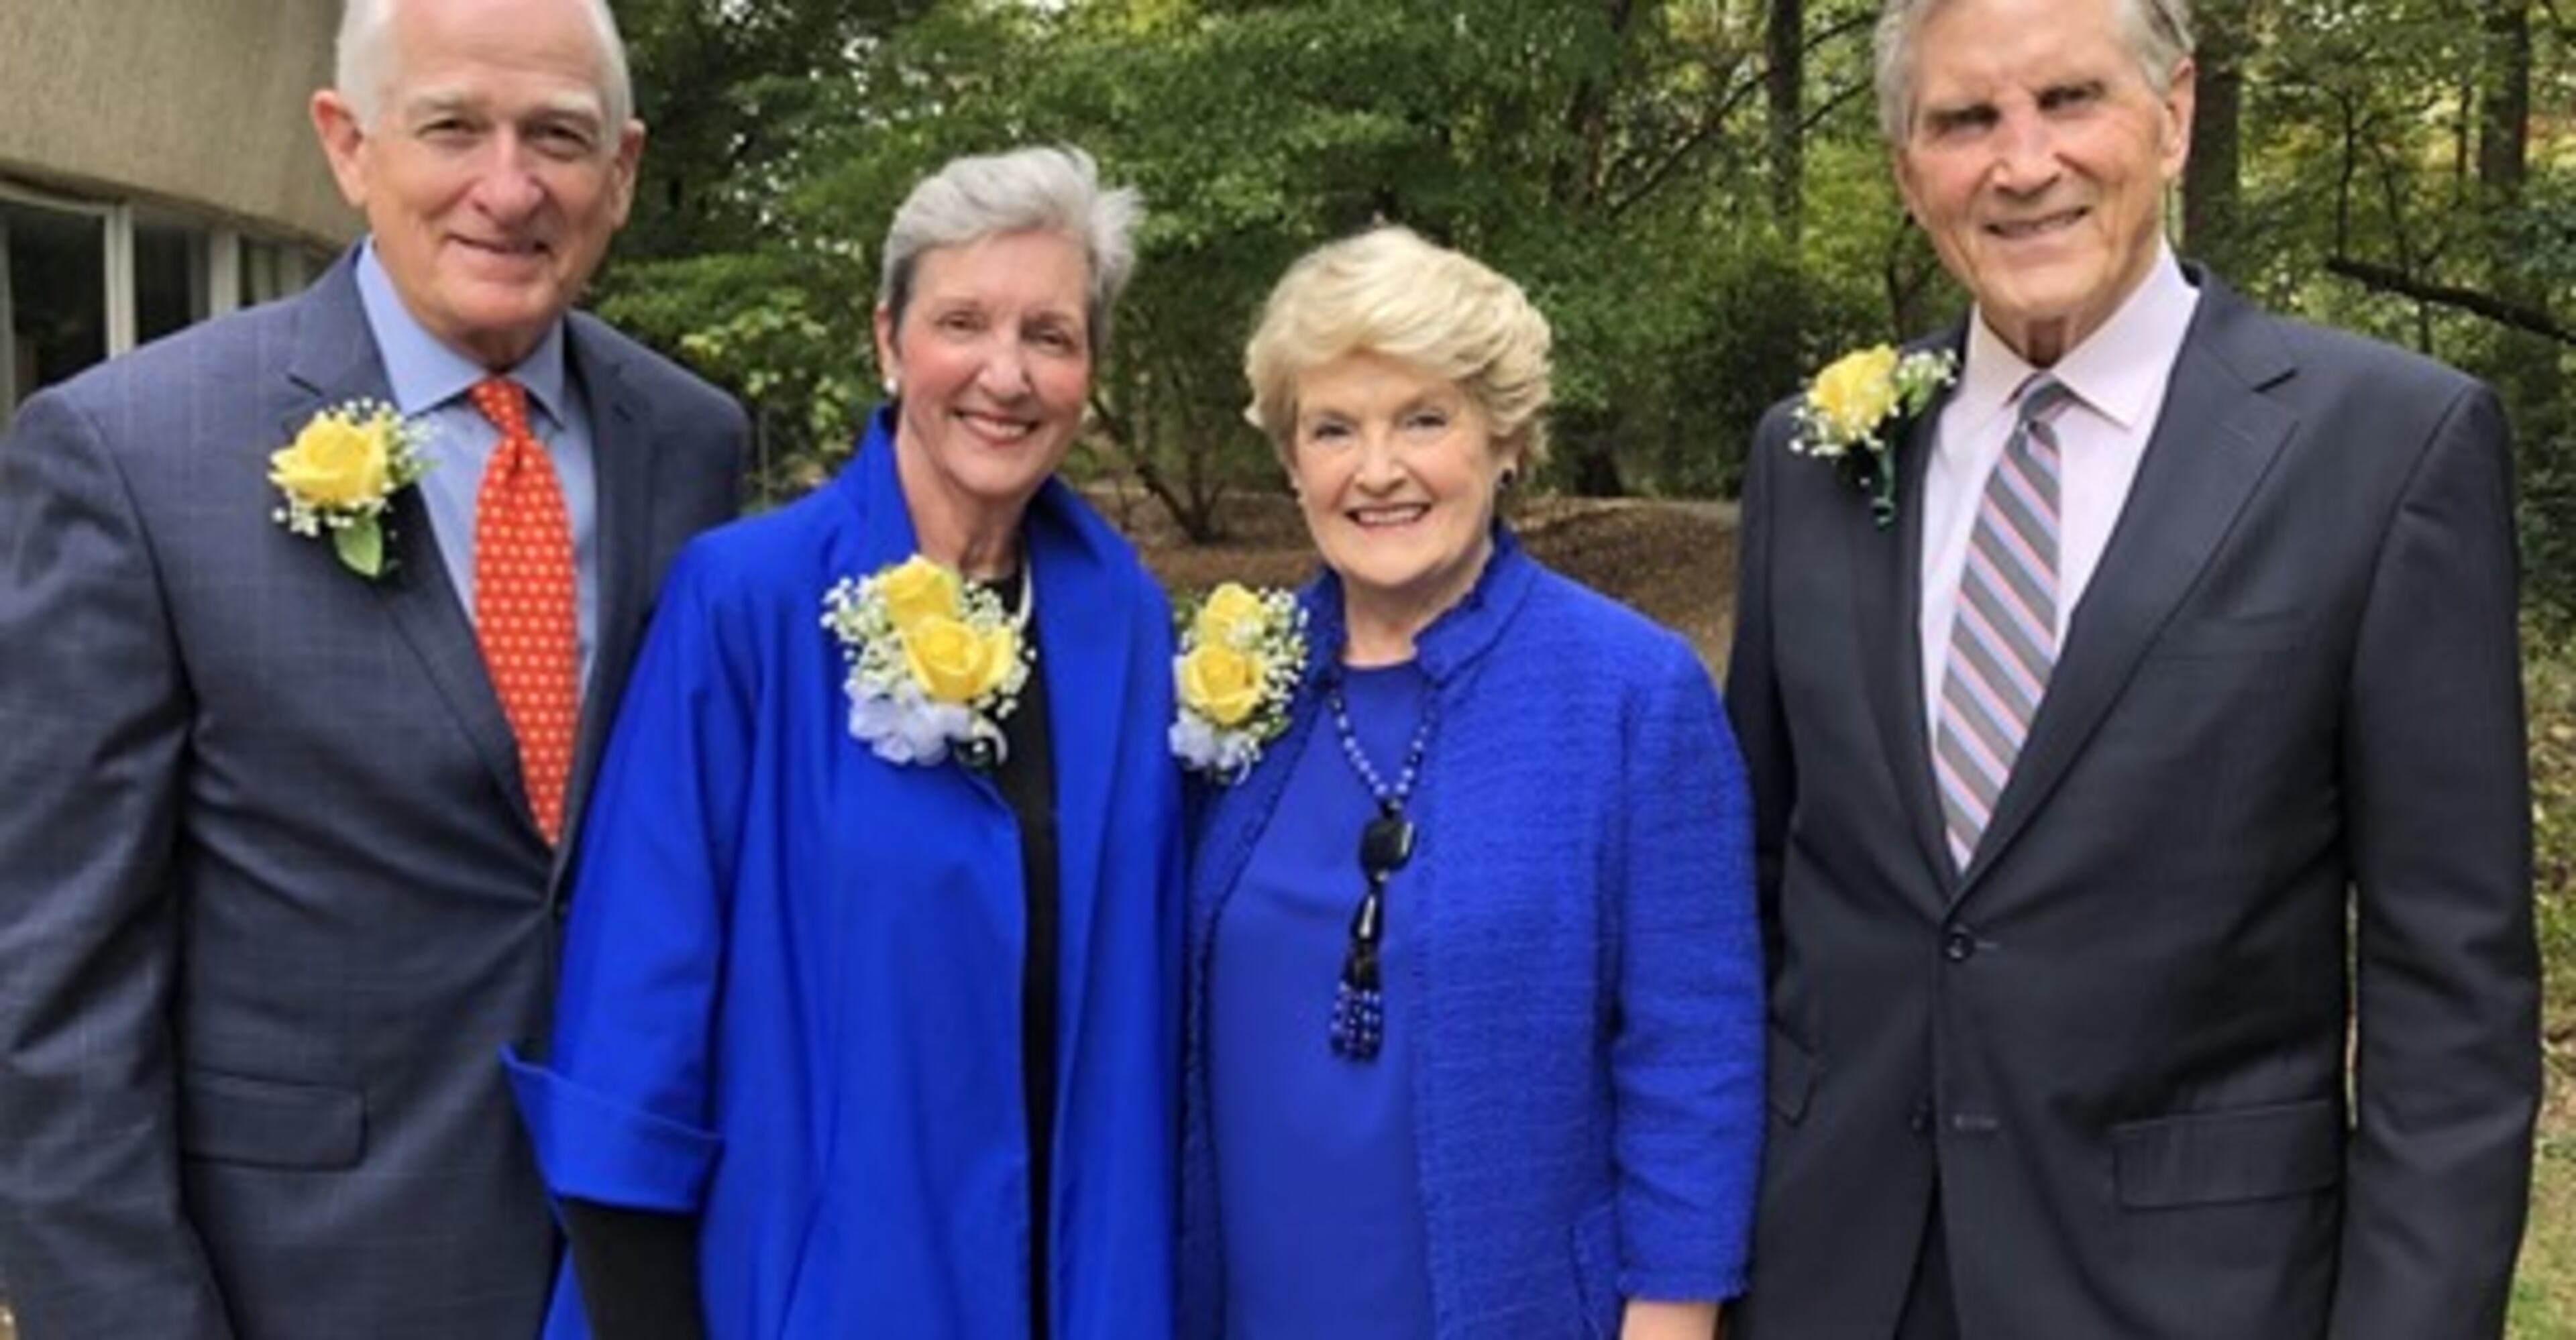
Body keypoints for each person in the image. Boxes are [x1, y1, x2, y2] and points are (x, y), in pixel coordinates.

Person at [1725, 0, 2540, 1333]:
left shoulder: (2386, 449)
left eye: (2071, 99)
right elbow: (1755, 892)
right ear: (1905, 165)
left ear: (2173, 117)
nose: (2022, 161)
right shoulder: (1811, 457)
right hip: (1837, 1279)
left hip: (2190, 1294)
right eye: (1965, 118)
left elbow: (2450, 1001)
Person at [0, 0, 747, 1335]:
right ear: (348, 148)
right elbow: (49, 993)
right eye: (451, 126)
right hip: (301, 1277)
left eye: (559, 138)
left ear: (621, 171)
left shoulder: (690, 444)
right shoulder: (128, 455)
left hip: (636, 1267)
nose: (507, 187)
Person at [503, 145, 1181, 1340]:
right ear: (887, 341)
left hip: (1075, 1281)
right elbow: (637, 995)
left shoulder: (1119, 618)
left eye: (1052, 335)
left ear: (1091, 370)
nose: (1006, 375)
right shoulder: (749, 600)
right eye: (962, 321)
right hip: (804, 1287)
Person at [1175, 226, 1764, 1339]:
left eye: (1425, 418)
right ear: (1292, 461)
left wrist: (1672, 1321)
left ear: (1507, 441)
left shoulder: (1633, 693)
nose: (1378, 468)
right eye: (1334, 427)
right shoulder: (1232, 685)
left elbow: (1694, 1057)